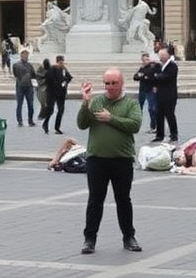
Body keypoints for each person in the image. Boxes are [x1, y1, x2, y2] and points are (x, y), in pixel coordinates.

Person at [76, 68, 143, 255]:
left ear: (121, 83)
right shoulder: (96, 101)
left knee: (123, 200)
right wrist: (85, 102)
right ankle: (89, 239)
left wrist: (110, 118)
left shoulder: (130, 104)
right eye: (107, 83)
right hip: (97, 160)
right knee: (95, 201)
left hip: (122, 160)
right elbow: (82, 124)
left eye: (114, 83)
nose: (110, 87)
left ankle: (129, 237)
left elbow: (135, 125)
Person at [152, 48, 179, 143]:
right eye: (160, 55)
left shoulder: (172, 65)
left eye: (163, 55)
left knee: (170, 114)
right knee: (159, 114)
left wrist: (157, 76)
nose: (161, 57)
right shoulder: (158, 66)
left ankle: (174, 134)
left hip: (169, 94)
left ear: (168, 55)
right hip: (160, 94)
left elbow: (167, 77)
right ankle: (159, 135)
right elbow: (153, 76)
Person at [43, 55, 73, 135]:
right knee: (50, 110)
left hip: (61, 94)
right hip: (52, 93)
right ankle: (45, 124)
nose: (62, 64)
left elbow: (69, 77)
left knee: (60, 110)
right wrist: (59, 82)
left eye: (63, 62)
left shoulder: (63, 70)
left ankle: (57, 127)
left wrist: (65, 81)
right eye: (60, 62)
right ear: (57, 62)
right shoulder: (52, 69)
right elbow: (48, 79)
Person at [133, 52, 159, 134]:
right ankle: (136, 124)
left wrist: (143, 76)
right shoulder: (142, 68)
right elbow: (135, 77)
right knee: (139, 108)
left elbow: (151, 77)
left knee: (152, 109)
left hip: (150, 90)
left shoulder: (153, 67)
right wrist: (143, 76)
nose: (145, 61)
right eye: (144, 60)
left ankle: (154, 126)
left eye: (147, 59)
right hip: (142, 90)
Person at [12, 49, 38, 127]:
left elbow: (33, 75)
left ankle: (30, 120)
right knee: (19, 104)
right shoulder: (16, 65)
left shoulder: (29, 65)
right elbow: (15, 74)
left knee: (30, 104)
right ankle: (20, 120)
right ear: (21, 55)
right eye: (25, 55)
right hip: (20, 86)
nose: (26, 56)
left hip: (29, 86)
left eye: (27, 55)